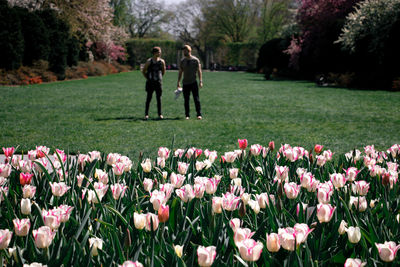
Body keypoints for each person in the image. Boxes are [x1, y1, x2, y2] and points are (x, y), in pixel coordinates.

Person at [177, 45, 203, 120]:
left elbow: (199, 71)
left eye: (185, 50)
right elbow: (180, 72)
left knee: (196, 99)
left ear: (189, 51)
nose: (184, 52)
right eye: (183, 51)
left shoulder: (195, 60)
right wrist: (178, 82)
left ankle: (199, 114)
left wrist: (200, 81)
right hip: (185, 83)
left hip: (193, 82)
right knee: (186, 99)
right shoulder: (182, 61)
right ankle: (187, 115)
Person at [142, 46, 166, 120]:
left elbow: (163, 71)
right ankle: (146, 114)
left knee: (159, 99)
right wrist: (148, 78)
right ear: (155, 53)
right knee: (149, 98)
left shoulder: (162, 61)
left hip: (158, 83)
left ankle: (160, 114)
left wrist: (159, 78)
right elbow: (143, 71)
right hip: (150, 83)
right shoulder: (149, 61)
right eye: (159, 52)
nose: (160, 53)